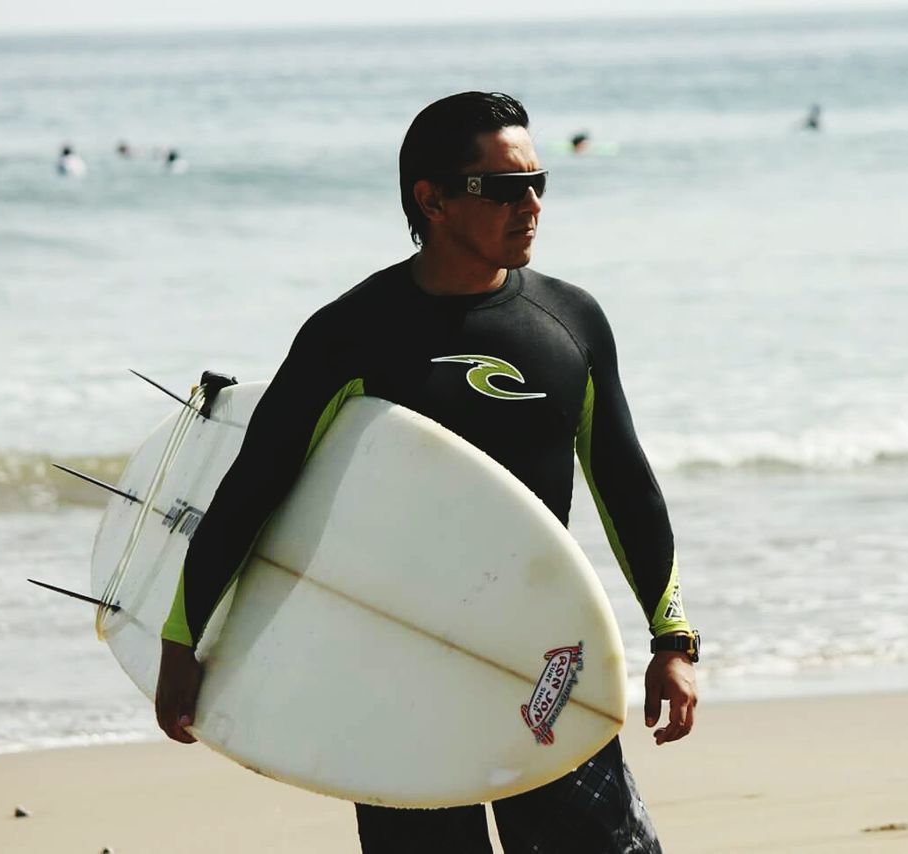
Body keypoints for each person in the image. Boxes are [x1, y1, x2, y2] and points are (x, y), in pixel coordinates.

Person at [154, 91, 699, 853]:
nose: (532, 203)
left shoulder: (570, 325)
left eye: (540, 182)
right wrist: (183, 640)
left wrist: (672, 641)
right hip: (396, 673)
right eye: (506, 188)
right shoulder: (350, 335)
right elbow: (254, 488)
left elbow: (626, 486)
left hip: (543, 659)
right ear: (432, 199)